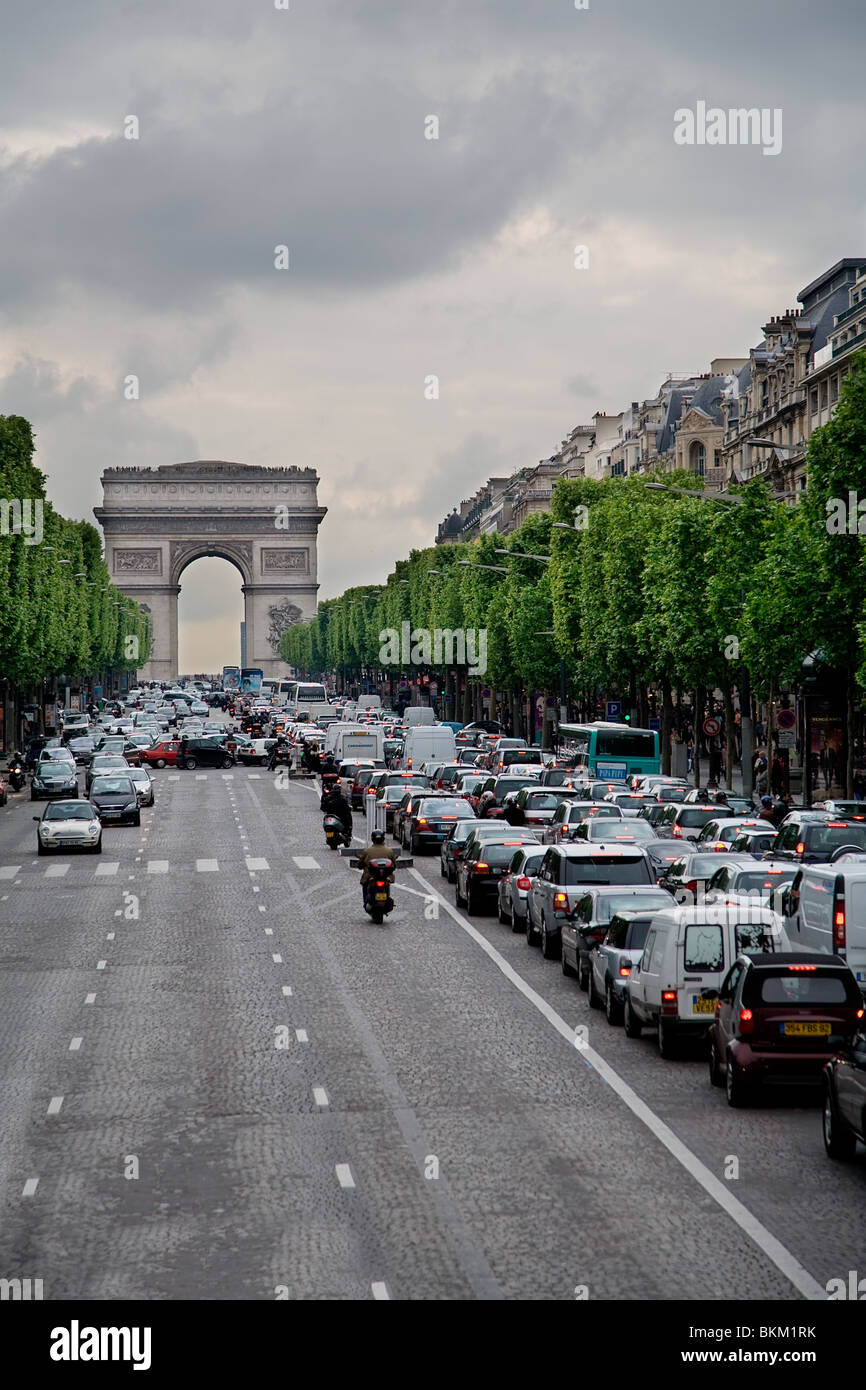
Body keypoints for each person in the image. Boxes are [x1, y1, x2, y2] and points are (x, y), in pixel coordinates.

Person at [356, 830, 399, 908]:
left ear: (372, 839)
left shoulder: (367, 851)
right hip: (385, 876)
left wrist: (361, 865)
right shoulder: (389, 851)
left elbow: (360, 864)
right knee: (387, 884)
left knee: (365, 885)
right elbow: (394, 865)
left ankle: (366, 901)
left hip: (370, 876)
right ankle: (386, 897)